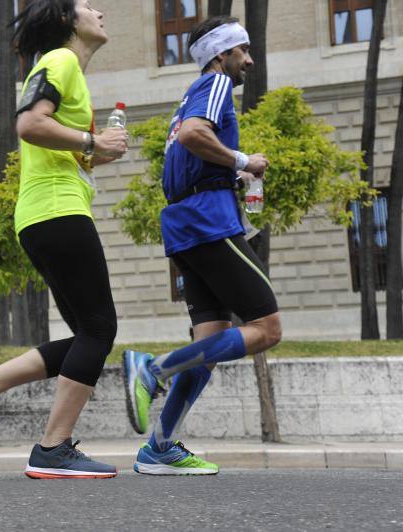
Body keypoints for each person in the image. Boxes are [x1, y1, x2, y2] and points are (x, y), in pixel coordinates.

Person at [0, 0, 128, 479]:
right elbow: (28, 125)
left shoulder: (65, 71)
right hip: (56, 211)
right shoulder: (61, 61)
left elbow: (48, 140)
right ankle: (53, 447)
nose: (100, 11)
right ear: (69, 20)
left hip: (45, 212)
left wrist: (93, 155)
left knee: (86, 335)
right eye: (89, 6)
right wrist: (91, 143)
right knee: (99, 329)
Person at [121, 16, 281, 475]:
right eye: (242, 50)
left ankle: (160, 446)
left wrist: (235, 173)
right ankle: (152, 370)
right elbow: (195, 135)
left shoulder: (192, 97)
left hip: (187, 226)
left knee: (209, 344)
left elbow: (188, 154)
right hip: (209, 224)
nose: (249, 60)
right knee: (267, 329)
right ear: (220, 54)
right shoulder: (213, 84)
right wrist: (244, 159)